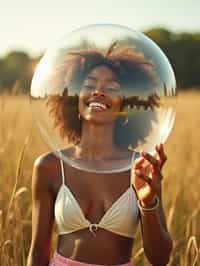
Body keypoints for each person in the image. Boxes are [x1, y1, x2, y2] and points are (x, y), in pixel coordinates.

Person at [27, 42, 173, 266]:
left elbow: (160, 258)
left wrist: (147, 202)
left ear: (125, 104)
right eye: (89, 84)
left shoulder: (142, 166)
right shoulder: (49, 166)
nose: (99, 91)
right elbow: (38, 251)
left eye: (112, 88)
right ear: (74, 97)